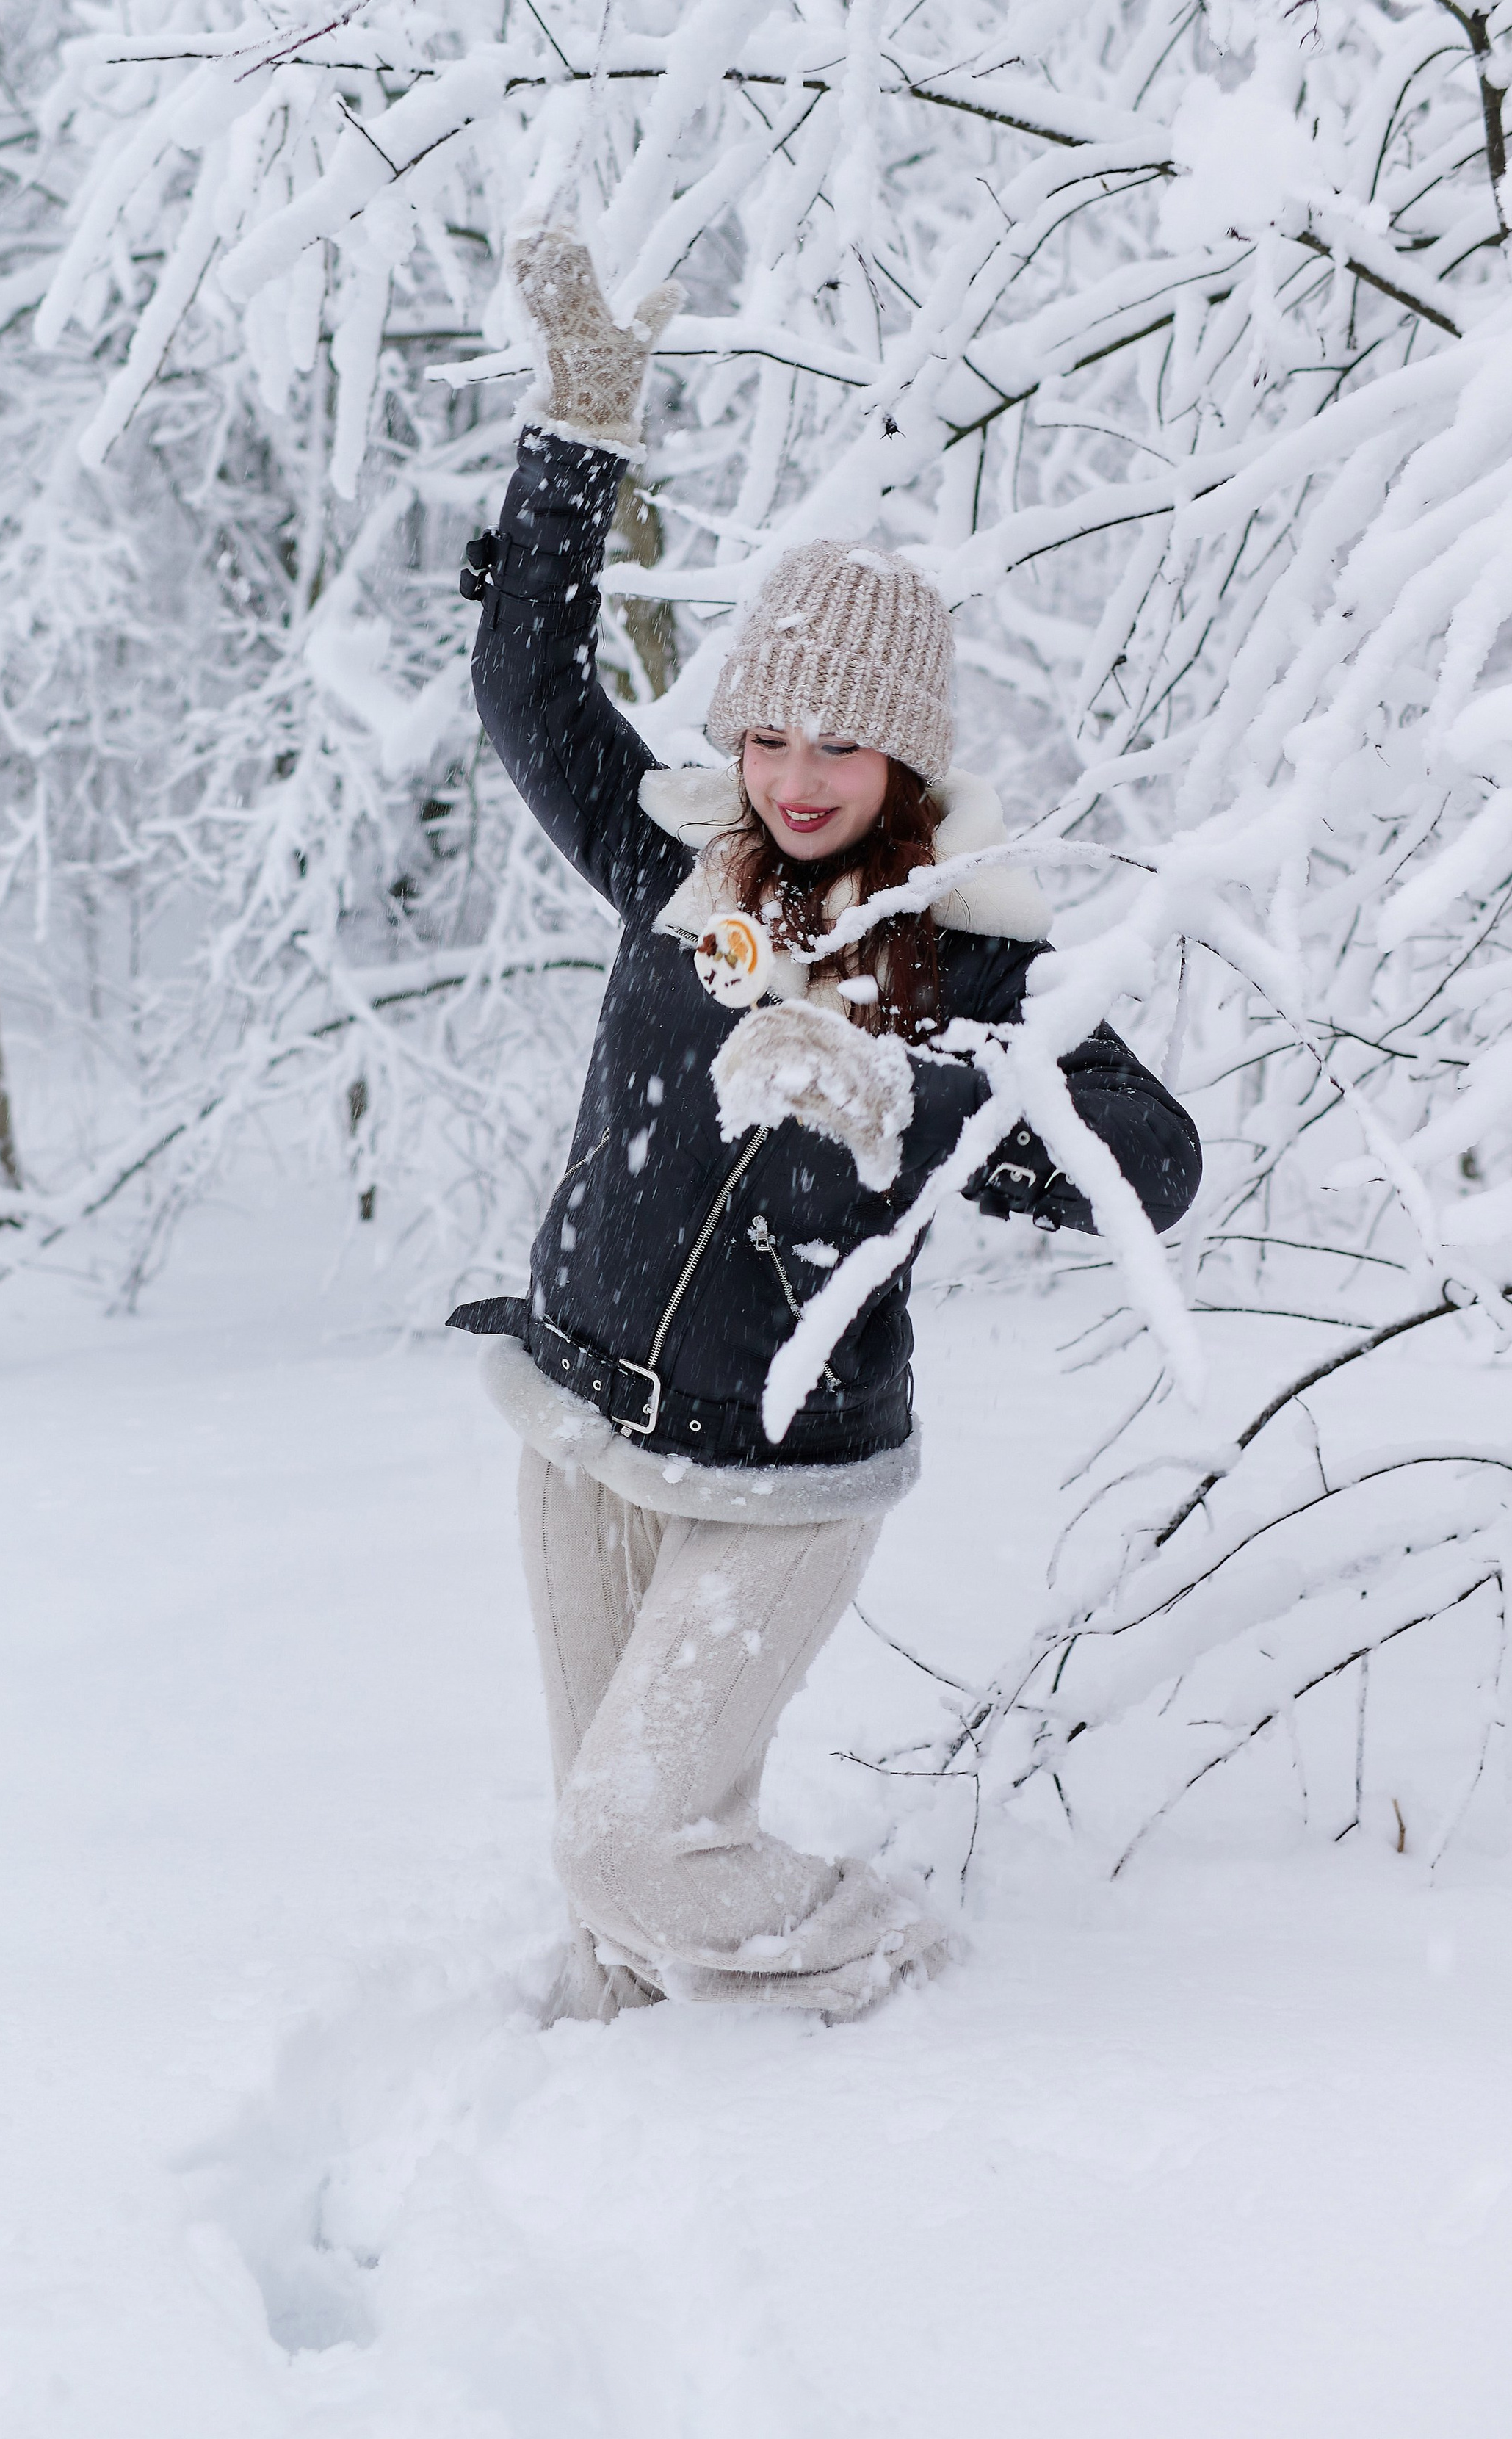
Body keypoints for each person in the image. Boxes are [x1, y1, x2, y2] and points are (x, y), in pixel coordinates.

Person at [449, 232, 1201, 2022]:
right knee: (617, 1897)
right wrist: (578, 437)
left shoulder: (967, 960)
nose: (793, 777)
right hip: (578, 1413)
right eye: (768, 733)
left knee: (628, 1842)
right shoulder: (675, 870)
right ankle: (644, 2141)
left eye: (838, 752)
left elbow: (1149, 1159)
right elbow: (528, 695)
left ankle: (891, 1961)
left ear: (906, 769)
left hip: (781, 1471)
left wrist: (909, 1096)